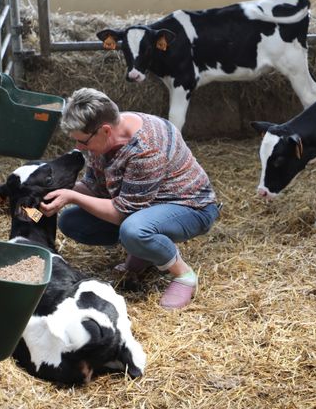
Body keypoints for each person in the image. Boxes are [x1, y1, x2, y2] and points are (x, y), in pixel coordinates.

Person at [40, 88, 219, 310]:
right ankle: (144, 250)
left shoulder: (146, 148)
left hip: (190, 207)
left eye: (83, 142)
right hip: (145, 204)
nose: (79, 148)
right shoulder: (104, 136)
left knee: (133, 230)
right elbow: (95, 187)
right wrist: (58, 191)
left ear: (104, 130)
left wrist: (72, 196)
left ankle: (183, 275)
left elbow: (125, 212)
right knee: (71, 221)